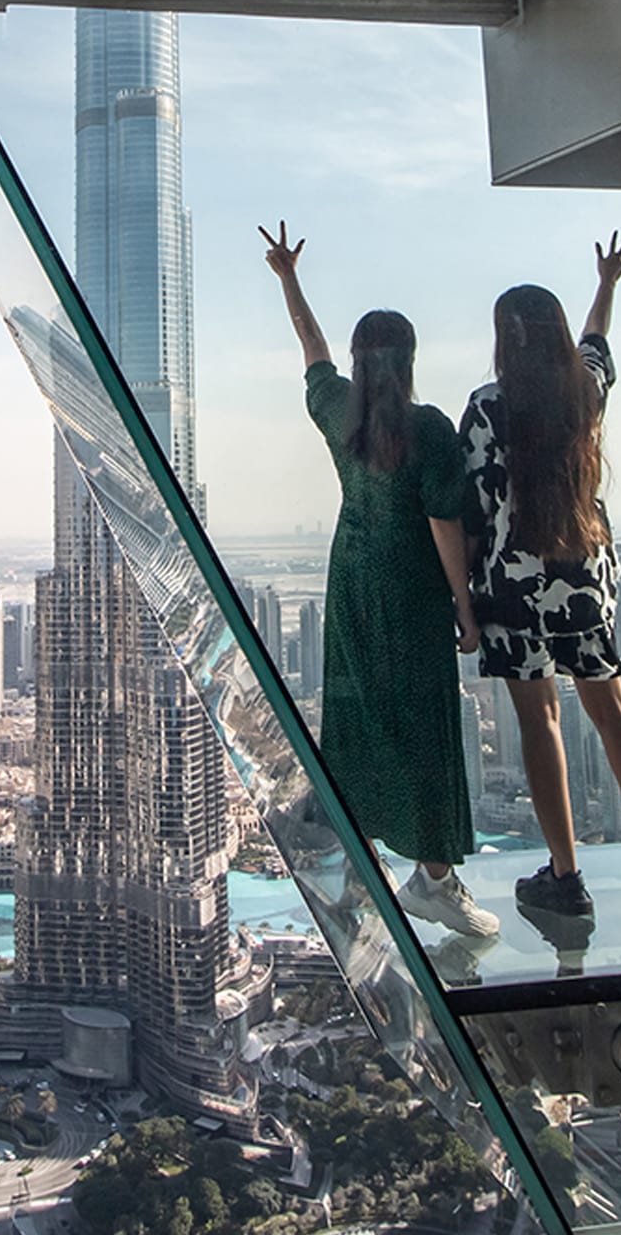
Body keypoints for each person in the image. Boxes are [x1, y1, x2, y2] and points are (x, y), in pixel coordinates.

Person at [261, 220, 498, 938]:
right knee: (424, 728)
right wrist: (466, 610)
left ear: (365, 363)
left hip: (352, 581)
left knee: (358, 717)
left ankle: (358, 869)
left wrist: (287, 279)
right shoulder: (427, 430)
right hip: (412, 588)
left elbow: (312, 353)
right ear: (411, 360)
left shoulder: (341, 413)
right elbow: (444, 522)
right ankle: (434, 879)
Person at [460, 232, 621, 918]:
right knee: (612, 709)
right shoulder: (584, 390)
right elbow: (596, 340)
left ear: (507, 337)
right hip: (584, 575)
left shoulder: (487, 406)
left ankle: (566, 875)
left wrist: (465, 600)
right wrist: (608, 281)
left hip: (515, 581)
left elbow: (474, 511)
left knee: (540, 723)